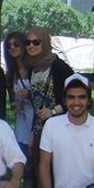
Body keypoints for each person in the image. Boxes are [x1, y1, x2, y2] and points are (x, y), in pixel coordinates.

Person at [25, 27, 74, 158]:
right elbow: (38, 102)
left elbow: (76, 99)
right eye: (28, 42)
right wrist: (32, 136)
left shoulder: (59, 67)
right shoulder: (32, 69)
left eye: (36, 42)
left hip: (60, 126)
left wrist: (52, 111)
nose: (31, 46)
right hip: (40, 129)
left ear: (45, 43)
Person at [4, 32, 37, 188]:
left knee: (36, 171)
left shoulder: (35, 69)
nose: (13, 48)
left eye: (16, 44)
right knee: (27, 169)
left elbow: (44, 98)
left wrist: (30, 95)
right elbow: (14, 101)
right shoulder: (12, 73)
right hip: (22, 127)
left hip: (38, 126)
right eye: (9, 45)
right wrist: (15, 105)